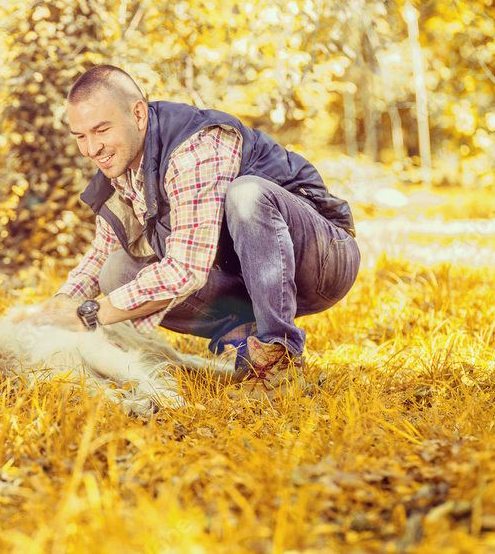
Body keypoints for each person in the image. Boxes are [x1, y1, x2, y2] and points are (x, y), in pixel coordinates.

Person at [28, 64, 360, 399]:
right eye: (80, 136)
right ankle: (247, 344)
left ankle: (281, 359)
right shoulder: (121, 170)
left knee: (247, 195)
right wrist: (59, 305)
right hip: (248, 277)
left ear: (138, 115)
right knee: (116, 270)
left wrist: (91, 313)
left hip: (322, 260)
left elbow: (186, 269)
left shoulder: (194, 147)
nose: (91, 149)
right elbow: (101, 254)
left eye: (101, 130)